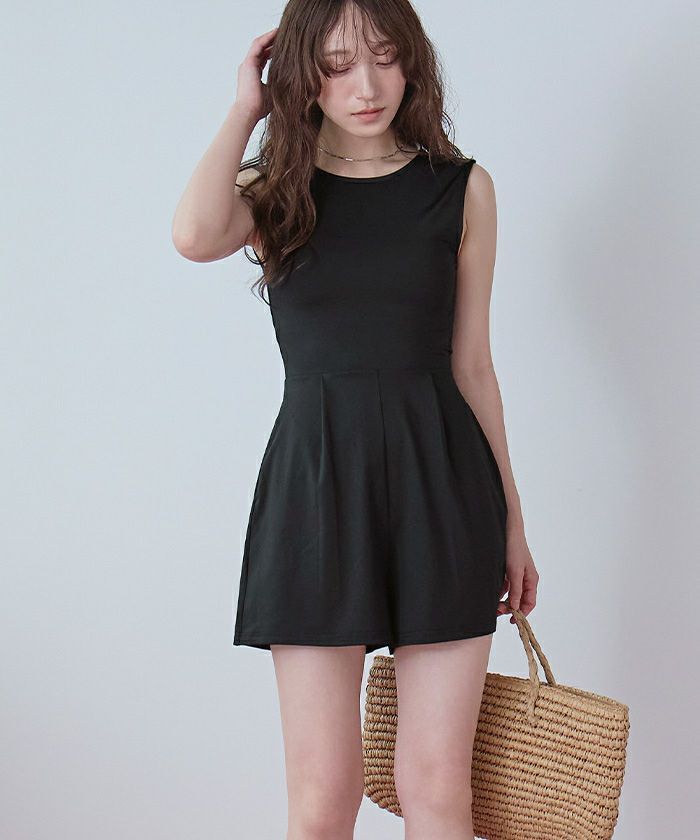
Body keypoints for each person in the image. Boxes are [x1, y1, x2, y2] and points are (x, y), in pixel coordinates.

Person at [172, 1, 539, 837]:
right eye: (336, 65)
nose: (366, 86)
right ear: (301, 75)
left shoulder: (461, 189)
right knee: (322, 796)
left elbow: (474, 367)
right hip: (316, 488)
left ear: (412, 59)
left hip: (443, 485)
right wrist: (246, 109)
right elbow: (193, 235)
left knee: (437, 787)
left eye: (384, 57)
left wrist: (513, 520)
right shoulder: (274, 191)